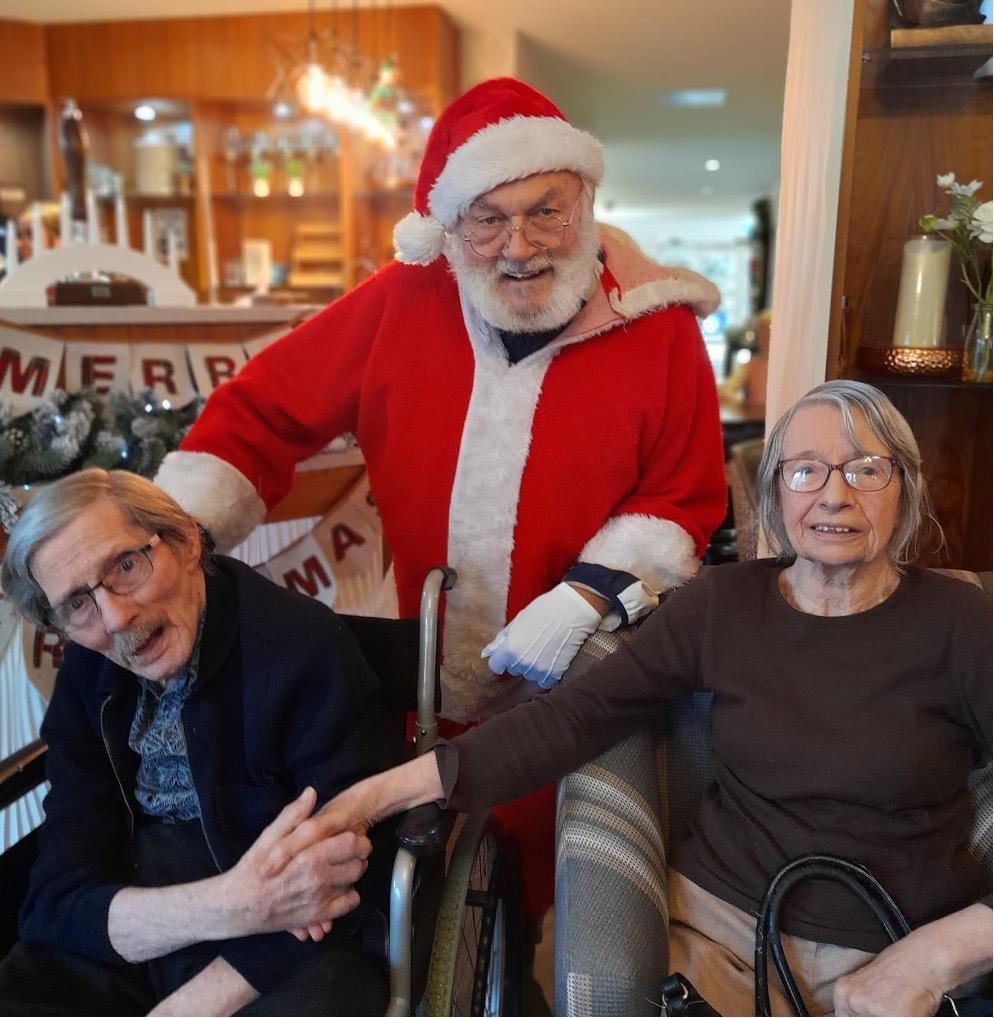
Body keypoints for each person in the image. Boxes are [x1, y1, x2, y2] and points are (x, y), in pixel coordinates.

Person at [154, 77, 728, 922]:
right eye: (487, 219)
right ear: (447, 228)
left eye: (546, 210)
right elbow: (262, 410)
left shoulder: (658, 324)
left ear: (586, 201)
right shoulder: (399, 301)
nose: (519, 244)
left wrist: (584, 596)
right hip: (421, 682)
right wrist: (170, 538)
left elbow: (684, 494)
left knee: (565, 912)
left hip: (588, 695)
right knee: (421, 907)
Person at [266, 380, 993, 1017]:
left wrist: (938, 957)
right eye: (806, 470)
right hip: (719, 938)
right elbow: (574, 718)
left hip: (900, 942)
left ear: (906, 487)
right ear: (774, 493)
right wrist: (367, 800)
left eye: (866, 468)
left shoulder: (961, 624)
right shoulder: (723, 605)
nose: (835, 494)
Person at [0, 469, 390, 1017]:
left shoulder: (301, 651)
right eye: (77, 604)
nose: (114, 618)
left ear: (184, 540)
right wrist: (233, 904)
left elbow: (346, 884)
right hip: (156, 912)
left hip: (293, 943)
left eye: (126, 566)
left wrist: (188, 1006)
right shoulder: (88, 673)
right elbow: (56, 901)